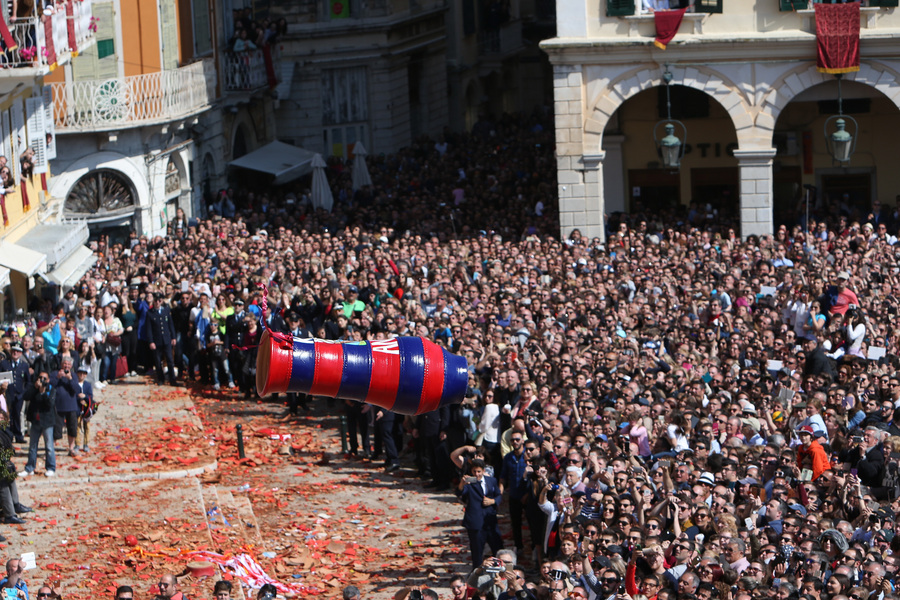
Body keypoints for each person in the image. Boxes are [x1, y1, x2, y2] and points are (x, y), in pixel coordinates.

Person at [459, 458, 503, 568]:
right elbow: (460, 492)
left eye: (479, 471)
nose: (477, 474)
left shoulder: (491, 481)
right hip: (476, 522)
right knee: (477, 553)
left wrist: (493, 501)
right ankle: (476, 576)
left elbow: (498, 495)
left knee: (498, 548)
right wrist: (462, 483)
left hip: (490, 521)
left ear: (483, 471)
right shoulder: (469, 483)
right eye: (474, 471)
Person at [19, 371, 55, 477]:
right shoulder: (33, 388)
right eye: (40, 378)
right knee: (32, 446)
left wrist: (43, 392)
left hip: (47, 421)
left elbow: (50, 404)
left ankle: (51, 467)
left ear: (48, 380)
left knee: (49, 446)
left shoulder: (51, 389)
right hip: (35, 421)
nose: (42, 380)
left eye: (44, 378)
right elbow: (25, 396)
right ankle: (30, 467)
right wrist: (35, 388)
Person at [146, 294, 178, 386]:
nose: (157, 302)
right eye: (156, 300)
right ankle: (160, 378)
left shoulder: (166, 311)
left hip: (167, 339)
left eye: (159, 301)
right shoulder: (150, 313)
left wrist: (173, 337)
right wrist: (151, 341)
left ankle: (172, 379)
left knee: (170, 360)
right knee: (157, 360)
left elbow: (170, 325)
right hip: (157, 340)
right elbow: (149, 329)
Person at [0, 345, 30, 444]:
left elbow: (28, 381)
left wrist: (23, 392)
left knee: (17, 415)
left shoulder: (24, 365)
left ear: (21, 353)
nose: (15, 353)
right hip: (7, 393)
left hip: (19, 394)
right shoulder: (4, 363)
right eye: (13, 351)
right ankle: (8, 435)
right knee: (7, 415)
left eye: (17, 351)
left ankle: (18, 435)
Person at [75, 365, 97, 453]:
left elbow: (91, 396)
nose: (82, 375)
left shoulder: (88, 385)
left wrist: (86, 398)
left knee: (87, 427)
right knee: (77, 426)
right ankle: (77, 444)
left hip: (86, 409)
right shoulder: (75, 384)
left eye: (84, 373)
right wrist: (79, 400)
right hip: (78, 408)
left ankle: (86, 443)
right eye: (80, 373)